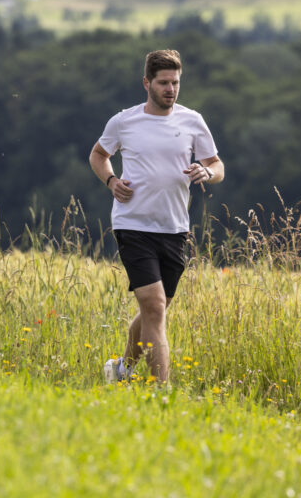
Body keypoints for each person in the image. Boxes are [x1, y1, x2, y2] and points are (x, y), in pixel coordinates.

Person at [89, 49, 224, 384]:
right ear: (147, 83)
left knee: (156, 310)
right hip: (132, 223)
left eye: (175, 82)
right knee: (153, 304)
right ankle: (161, 393)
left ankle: (120, 369)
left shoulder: (192, 121)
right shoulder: (124, 121)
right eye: (163, 82)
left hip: (174, 228)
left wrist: (206, 173)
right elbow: (98, 154)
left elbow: (217, 165)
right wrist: (111, 180)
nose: (170, 89)